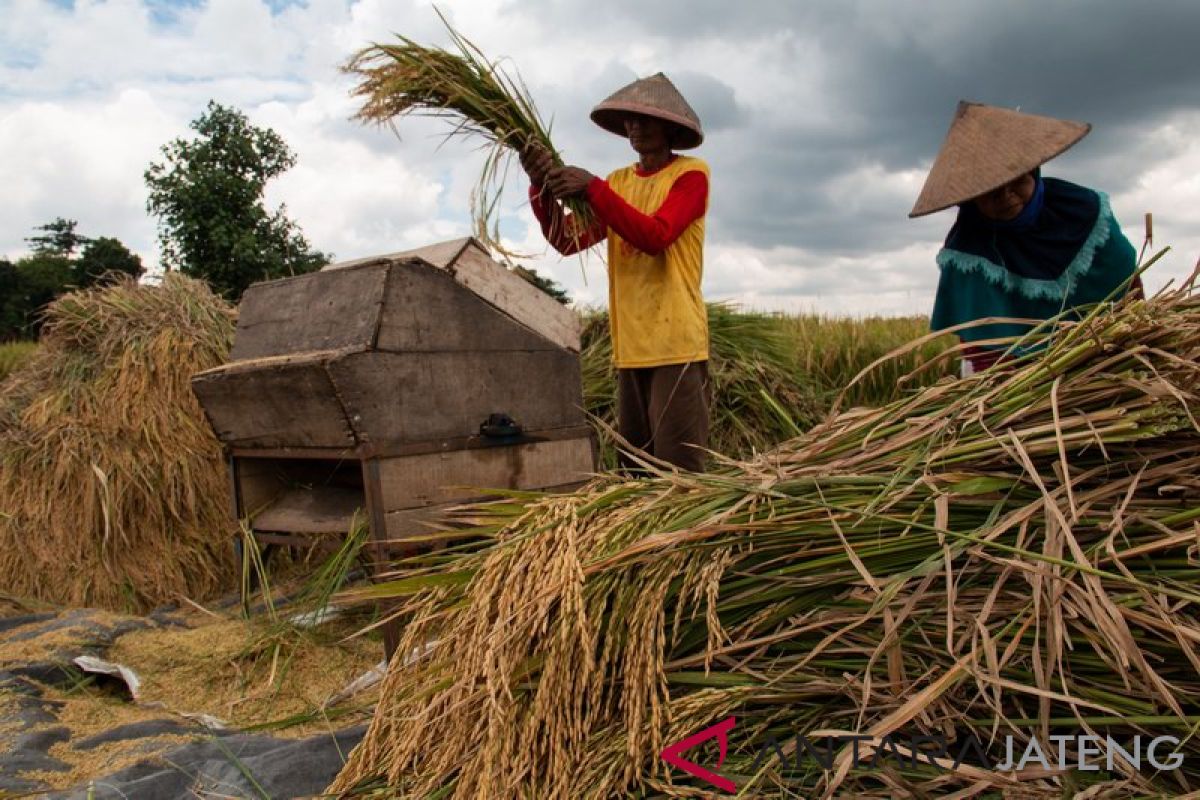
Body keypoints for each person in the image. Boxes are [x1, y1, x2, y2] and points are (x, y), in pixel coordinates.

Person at [519, 72, 711, 471]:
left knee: (680, 472)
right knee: (635, 470)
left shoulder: (690, 176)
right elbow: (567, 240)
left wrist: (592, 189)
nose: (635, 127)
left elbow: (656, 236)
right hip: (631, 347)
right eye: (630, 120)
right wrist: (540, 187)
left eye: (645, 119)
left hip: (676, 344)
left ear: (670, 128)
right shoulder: (619, 183)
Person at [909, 101, 1141, 375]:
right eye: (992, 192)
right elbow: (978, 340)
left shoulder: (1081, 212)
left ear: (1033, 172)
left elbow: (1128, 286)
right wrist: (1011, 392)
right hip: (1008, 377)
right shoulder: (968, 250)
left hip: (1102, 359)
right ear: (971, 200)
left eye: (1018, 182)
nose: (1007, 196)